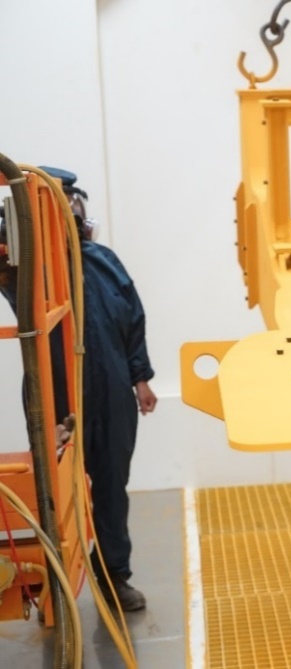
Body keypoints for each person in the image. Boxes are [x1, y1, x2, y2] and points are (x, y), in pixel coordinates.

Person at [0, 167, 156, 611]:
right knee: (55, 490)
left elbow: (132, 318)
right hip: (54, 395)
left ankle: (114, 576)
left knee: (111, 487)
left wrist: (140, 378)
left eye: (74, 205)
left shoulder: (104, 261)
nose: (75, 214)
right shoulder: (23, 267)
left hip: (111, 390)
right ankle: (55, 582)